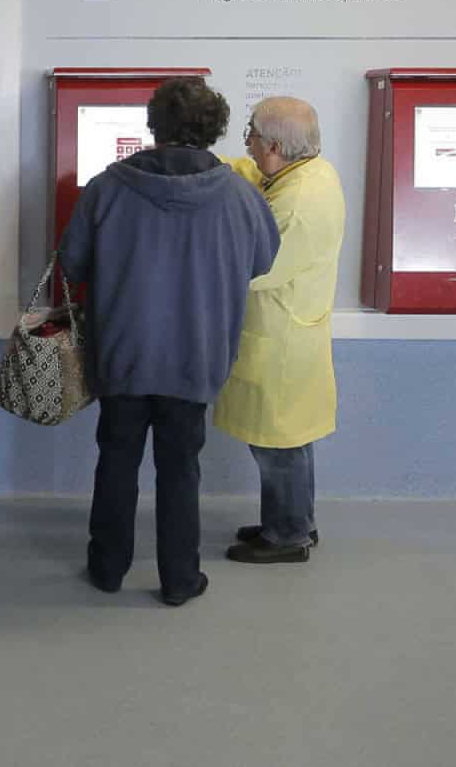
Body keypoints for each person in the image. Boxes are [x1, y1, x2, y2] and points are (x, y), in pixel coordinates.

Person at [57, 76, 279, 607]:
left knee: (116, 460)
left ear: (153, 126)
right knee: (181, 469)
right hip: (195, 354)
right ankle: (180, 579)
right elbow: (264, 260)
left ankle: (108, 567)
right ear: (214, 130)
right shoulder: (239, 195)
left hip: (123, 353)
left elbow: (71, 263)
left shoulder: (108, 188)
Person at [216, 97, 346, 564]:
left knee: (278, 447)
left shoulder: (297, 202)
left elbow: (258, 267)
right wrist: (204, 162)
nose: (245, 142)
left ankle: (286, 536)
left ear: (273, 144)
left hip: (282, 339)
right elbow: (254, 174)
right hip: (294, 331)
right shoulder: (308, 172)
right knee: (291, 439)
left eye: (249, 133)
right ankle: (294, 521)